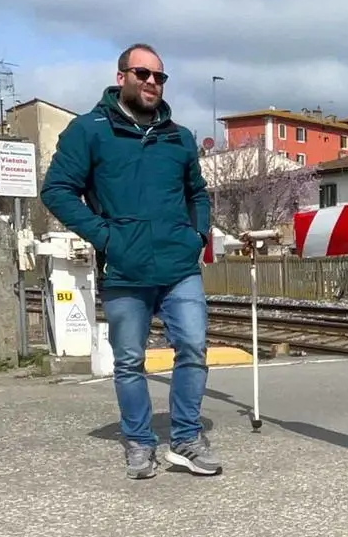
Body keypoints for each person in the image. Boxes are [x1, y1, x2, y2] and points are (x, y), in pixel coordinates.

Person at [41, 43, 219, 480]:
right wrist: (106, 237)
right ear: (122, 77)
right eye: (143, 74)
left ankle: (185, 437)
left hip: (179, 267)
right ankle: (139, 442)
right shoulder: (90, 131)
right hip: (124, 269)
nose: (152, 83)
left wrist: (197, 234)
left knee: (193, 348)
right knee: (128, 361)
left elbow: (197, 193)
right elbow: (57, 190)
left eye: (159, 76)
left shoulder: (179, 137)